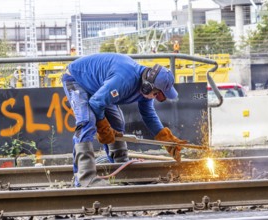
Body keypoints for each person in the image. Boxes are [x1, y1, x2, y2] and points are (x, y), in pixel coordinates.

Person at [62, 53, 186, 187]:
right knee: (87, 122)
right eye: (157, 94)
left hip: (100, 85)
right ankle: (84, 178)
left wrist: (166, 138)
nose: (156, 98)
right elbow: (96, 103)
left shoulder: (146, 88)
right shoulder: (124, 80)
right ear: (147, 86)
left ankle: (120, 168)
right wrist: (103, 128)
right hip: (76, 79)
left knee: (117, 123)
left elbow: (149, 115)